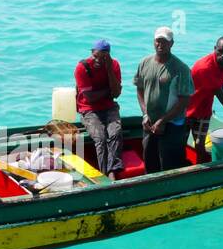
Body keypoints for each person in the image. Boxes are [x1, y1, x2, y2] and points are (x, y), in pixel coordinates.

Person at [133, 26, 194, 174]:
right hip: (150, 122)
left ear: (171, 43)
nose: (160, 45)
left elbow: (184, 100)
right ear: (153, 42)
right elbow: (140, 89)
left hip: (172, 124)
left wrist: (164, 120)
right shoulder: (144, 63)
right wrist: (145, 114)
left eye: (164, 42)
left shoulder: (181, 68)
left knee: (170, 165)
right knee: (150, 160)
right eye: (157, 41)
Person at [75, 40, 123, 180]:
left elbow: (116, 94)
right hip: (89, 109)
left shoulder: (114, 66)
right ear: (91, 53)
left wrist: (108, 70)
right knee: (100, 138)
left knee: (115, 133)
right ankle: (105, 174)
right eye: (95, 56)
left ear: (108, 57)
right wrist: (109, 90)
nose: (97, 60)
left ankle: (112, 171)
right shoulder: (82, 68)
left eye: (102, 57)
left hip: (109, 107)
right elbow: (90, 98)